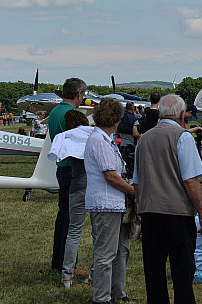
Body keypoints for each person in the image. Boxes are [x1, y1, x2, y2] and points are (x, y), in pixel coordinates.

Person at [133, 93, 202, 304]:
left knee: (154, 270)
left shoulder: (144, 139)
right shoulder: (182, 136)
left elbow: (137, 183)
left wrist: (141, 213)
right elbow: (191, 181)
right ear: (181, 114)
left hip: (150, 212)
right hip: (177, 213)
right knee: (182, 271)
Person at [85, 98, 137, 304]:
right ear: (115, 119)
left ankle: (117, 291)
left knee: (121, 250)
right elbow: (111, 175)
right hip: (105, 203)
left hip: (115, 203)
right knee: (105, 254)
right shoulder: (99, 140)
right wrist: (134, 192)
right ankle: (102, 297)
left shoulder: (105, 138)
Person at [48, 110, 95, 289]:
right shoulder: (93, 135)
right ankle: (94, 271)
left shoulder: (66, 138)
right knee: (97, 233)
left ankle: (67, 275)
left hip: (76, 187)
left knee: (73, 232)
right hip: (93, 186)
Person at [48, 77, 87, 274]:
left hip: (61, 167)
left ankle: (59, 261)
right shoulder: (71, 114)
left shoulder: (54, 112)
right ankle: (70, 263)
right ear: (78, 94)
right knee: (72, 220)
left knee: (63, 216)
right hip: (72, 169)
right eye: (83, 95)